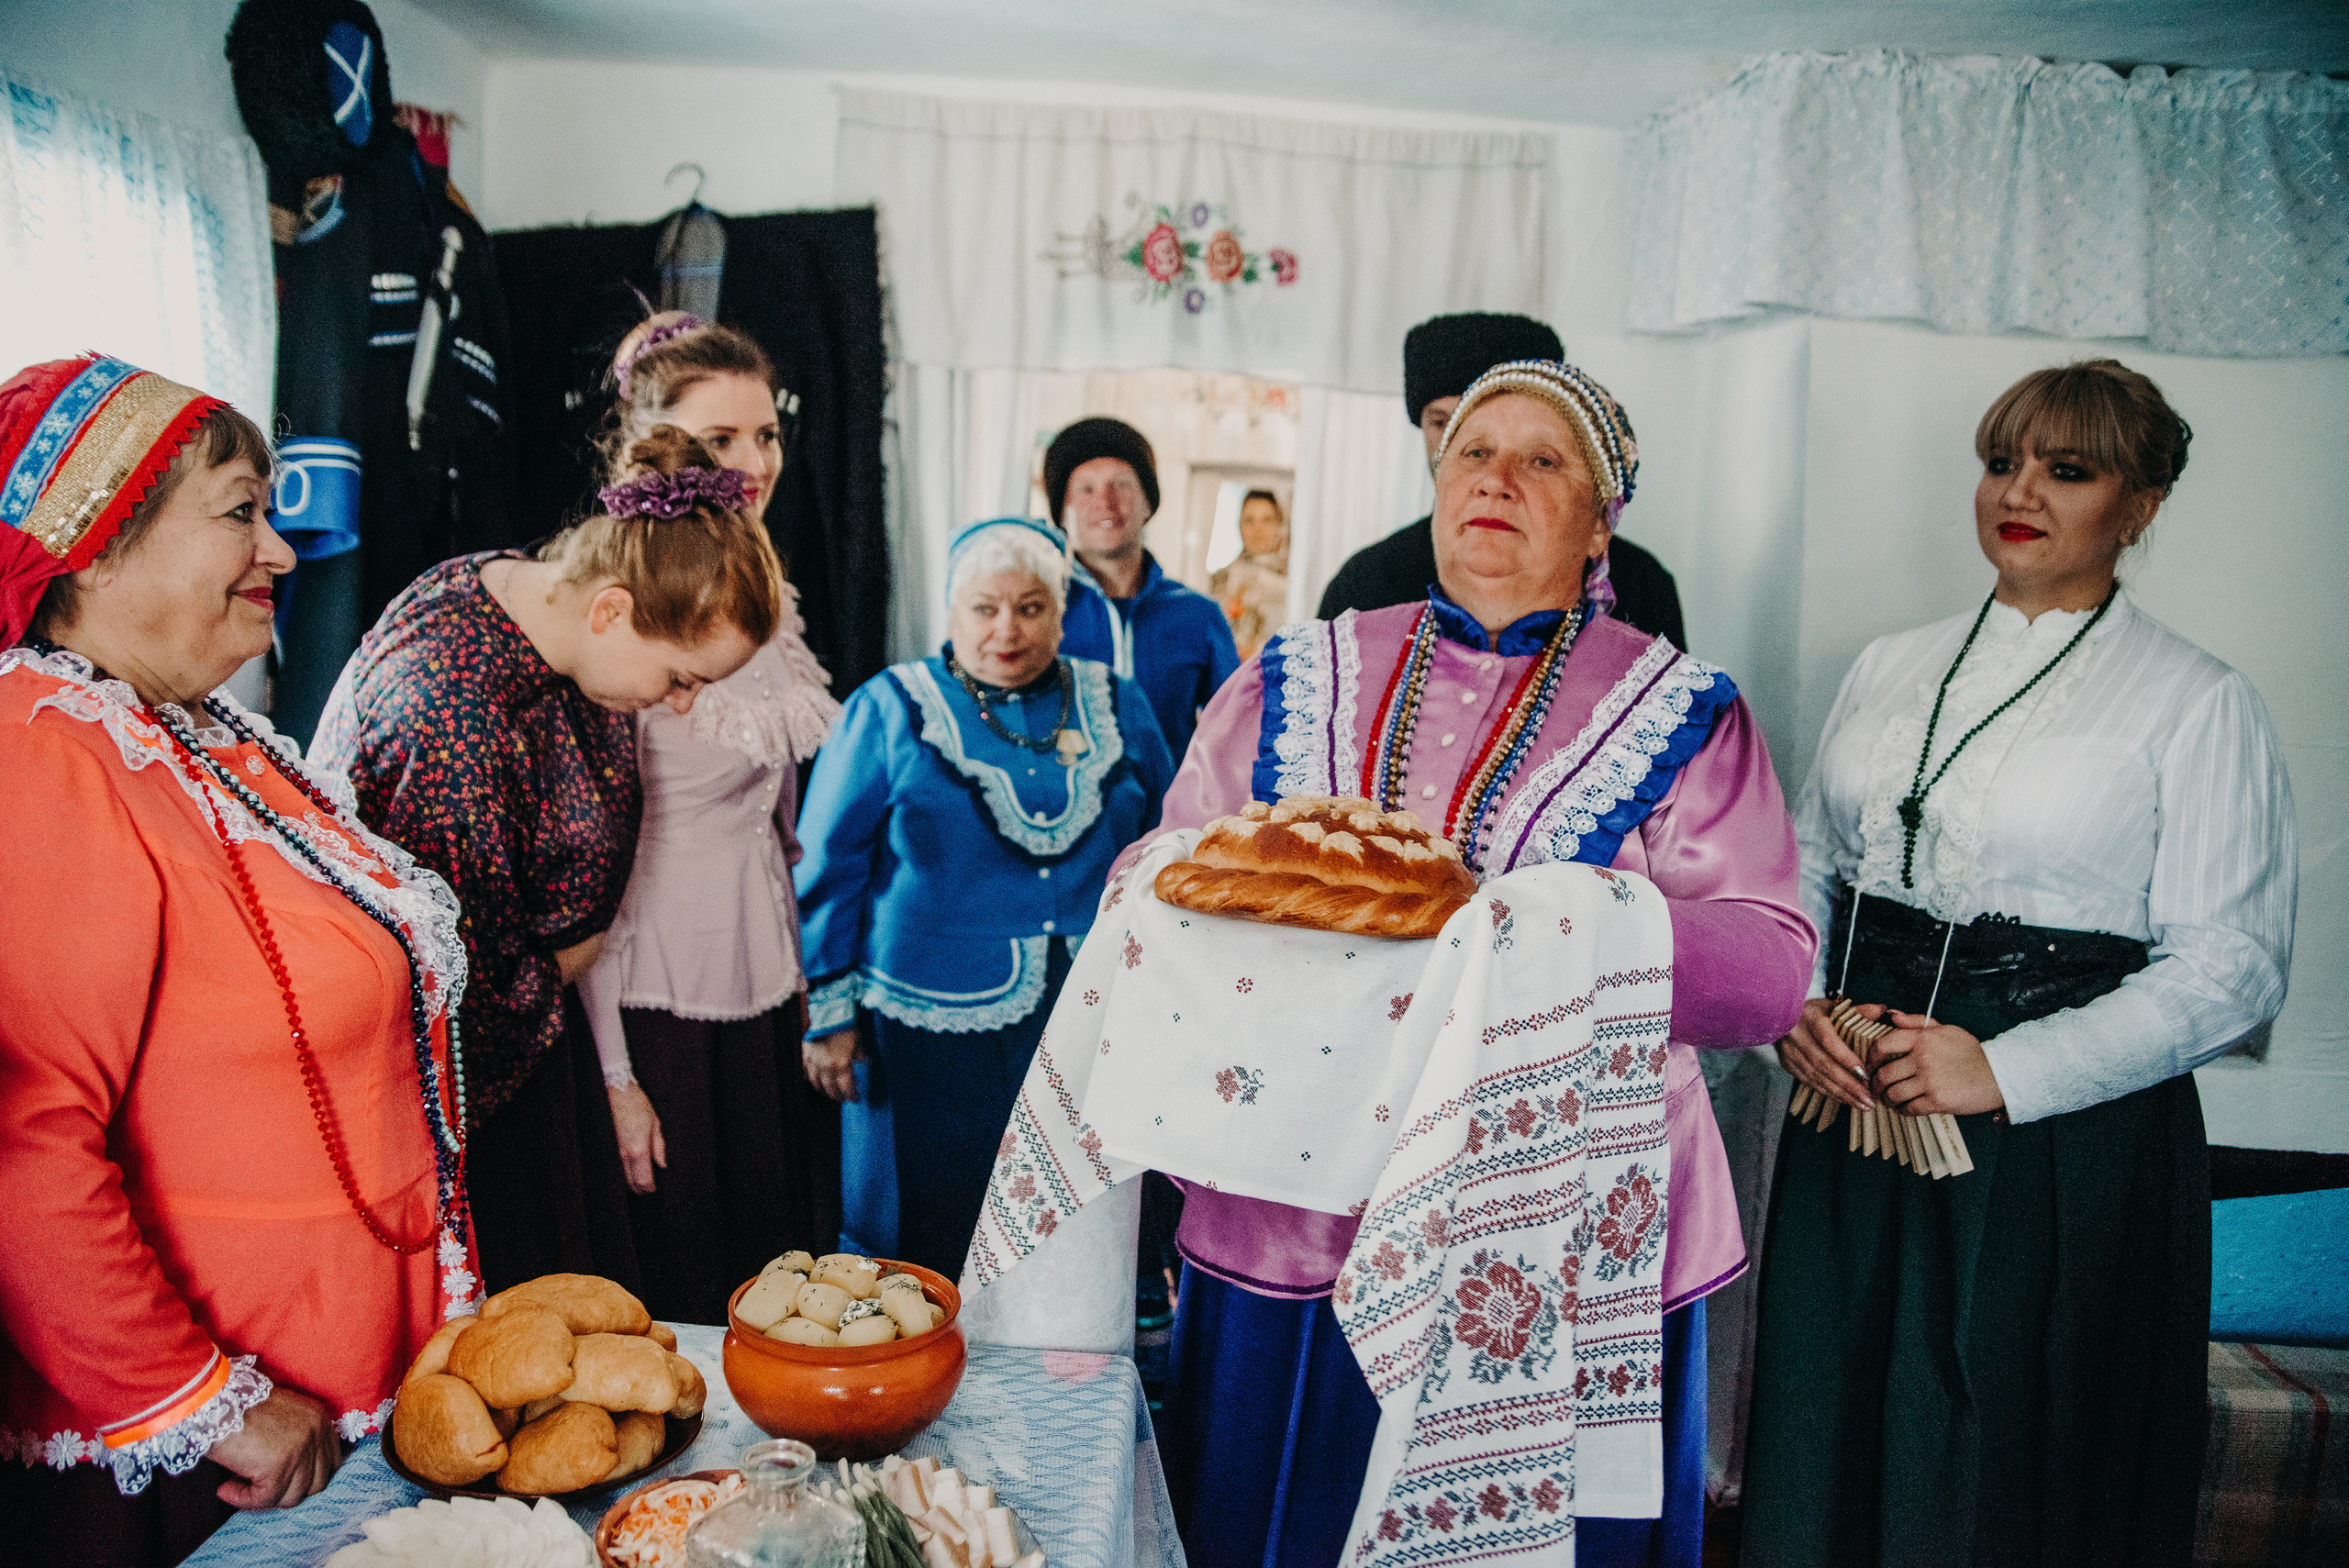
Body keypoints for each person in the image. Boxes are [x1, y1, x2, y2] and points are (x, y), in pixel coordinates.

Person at [1142, 359, 1814, 1567]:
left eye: (1541, 458)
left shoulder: (1686, 711)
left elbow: (1768, 974)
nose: (1495, 478)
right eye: (1469, 451)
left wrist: (1545, 925)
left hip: (1557, 1220)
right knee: (1272, 1512)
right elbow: (1163, 877)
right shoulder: (1296, 675)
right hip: (1296, 1196)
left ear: (1603, 514)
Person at [1742, 361, 2296, 1567]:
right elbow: (1811, 866)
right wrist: (1794, 1004)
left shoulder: (2198, 703)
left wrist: (2002, 1068)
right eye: (2003, 462)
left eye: (2069, 469)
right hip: (1859, 1107)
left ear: (2140, 506)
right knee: (1823, 1416)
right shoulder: (1889, 664)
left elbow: (2233, 970)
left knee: (2000, 1449)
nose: (2022, 491)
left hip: (2061, 1141)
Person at [0, 356, 467, 1564]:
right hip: (209, 1461)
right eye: (238, 512)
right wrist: (211, 1401)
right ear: (94, 544)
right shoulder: (43, 751)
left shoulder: (193, 730)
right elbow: (22, 1144)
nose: (284, 549)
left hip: (330, 1404)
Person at [314, 425, 781, 1298]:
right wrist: (568, 959)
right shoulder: (449, 717)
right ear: (610, 608)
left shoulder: (529, 589)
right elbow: (452, 988)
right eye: (680, 676)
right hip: (470, 1101)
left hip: (541, 1044)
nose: (679, 706)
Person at [795, 518, 1175, 1277]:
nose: (1008, 629)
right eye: (984, 608)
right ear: (951, 609)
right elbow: (822, 864)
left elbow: (1170, 838)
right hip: (925, 1014)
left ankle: (1066, 1378)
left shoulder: (1117, 703)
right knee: (934, 1209)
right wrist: (828, 1015)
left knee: (1069, 1210)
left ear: (1063, 611)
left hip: (1088, 1010)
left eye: (1032, 607)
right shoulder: (890, 707)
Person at [573, 314, 844, 1323]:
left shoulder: (770, 594)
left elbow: (783, 823)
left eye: (766, 434)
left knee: (777, 1277)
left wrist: (814, 981)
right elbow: (591, 860)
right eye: (723, 439)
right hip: (653, 1002)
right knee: (684, 1291)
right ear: (657, 438)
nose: (755, 460)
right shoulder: (625, 606)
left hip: (766, 983)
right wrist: (611, 1075)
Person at [1316, 313, 1687, 649]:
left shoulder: (1643, 587)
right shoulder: (1366, 584)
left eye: (1541, 460)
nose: (1494, 478)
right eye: (1445, 424)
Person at [1044, 416, 1240, 762]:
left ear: (1148, 504)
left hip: (1172, 814)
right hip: (1060, 809)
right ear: (1063, 510)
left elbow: (1235, 731)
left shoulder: (1198, 614)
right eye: (1086, 489)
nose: (1104, 502)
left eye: (1121, 485)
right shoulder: (1040, 610)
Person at [1208, 487, 1289, 661]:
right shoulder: (1221, 579)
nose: (1258, 529)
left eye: (1267, 520)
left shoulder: (1292, 583)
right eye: (1249, 521)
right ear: (1240, 526)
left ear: (1279, 525)